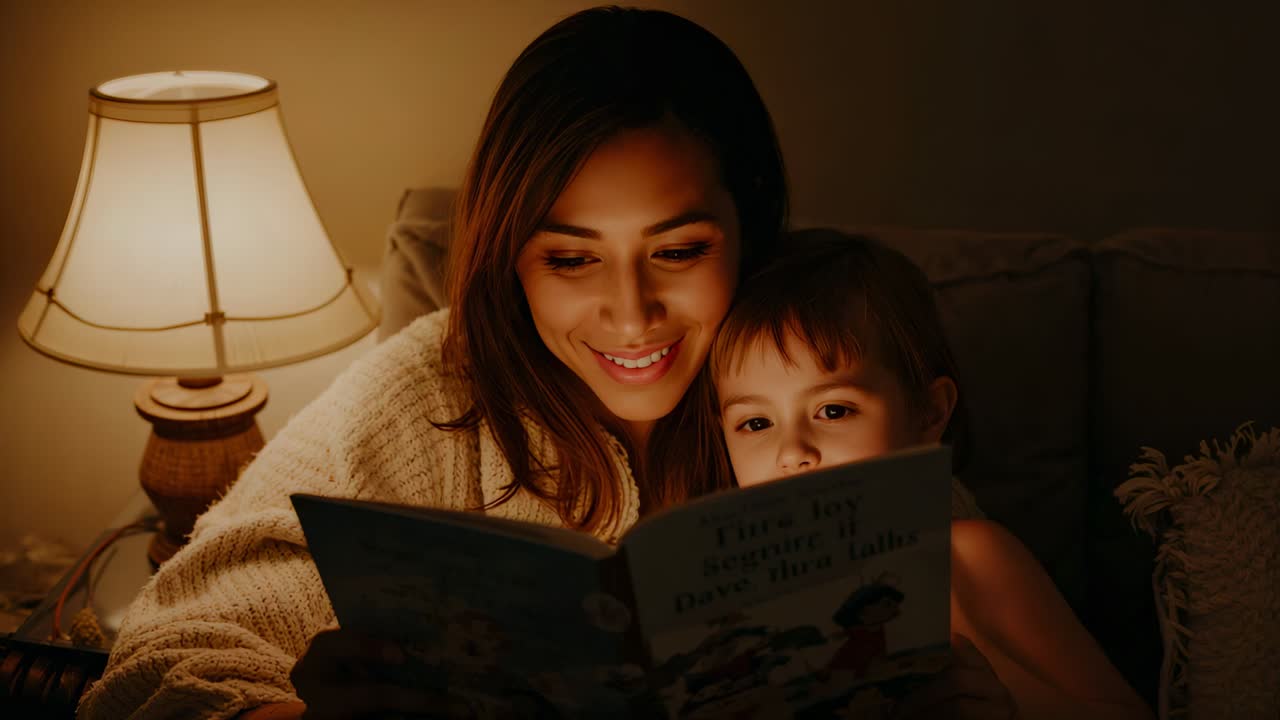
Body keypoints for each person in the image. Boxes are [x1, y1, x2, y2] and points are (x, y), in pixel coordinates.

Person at [77, 6, 787, 720]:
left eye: (679, 251)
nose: (632, 317)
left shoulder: (836, 359)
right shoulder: (427, 389)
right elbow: (157, 661)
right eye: (571, 259)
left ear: (746, 228)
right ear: (510, 254)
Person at [709, 230, 1155, 719]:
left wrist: (1007, 706)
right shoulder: (729, 588)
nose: (793, 452)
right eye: (755, 423)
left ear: (928, 414)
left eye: (834, 411)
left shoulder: (968, 553)